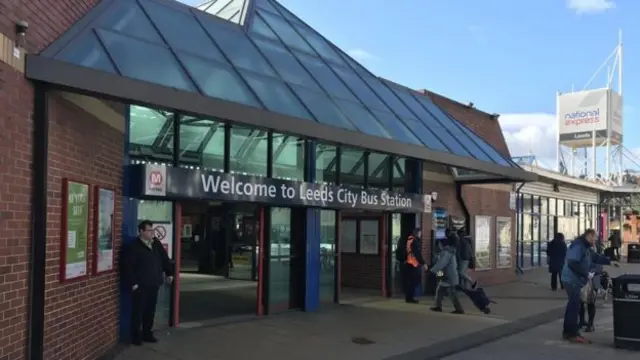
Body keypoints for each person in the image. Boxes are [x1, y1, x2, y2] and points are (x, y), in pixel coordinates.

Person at [560, 229, 617, 343]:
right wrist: (586, 273)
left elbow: (595, 257)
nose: (595, 240)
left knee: (573, 305)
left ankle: (568, 331)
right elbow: (572, 262)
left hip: (574, 279)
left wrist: (609, 261)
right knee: (574, 305)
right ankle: (571, 333)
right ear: (589, 236)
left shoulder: (585, 247)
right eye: (595, 237)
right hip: (571, 280)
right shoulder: (578, 246)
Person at [123, 220, 174, 345]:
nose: (152, 233)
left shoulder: (155, 243)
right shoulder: (134, 246)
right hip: (141, 285)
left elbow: (164, 258)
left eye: (152, 230)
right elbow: (127, 266)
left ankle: (147, 334)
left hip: (154, 283)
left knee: (150, 311)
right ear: (141, 231)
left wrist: (170, 273)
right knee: (138, 312)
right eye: (149, 230)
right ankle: (135, 337)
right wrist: (133, 283)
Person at [430, 233, 464, 314]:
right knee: (440, 290)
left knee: (451, 292)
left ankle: (459, 309)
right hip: (447, 273)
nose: (439, 246)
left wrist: (433, 270)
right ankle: (438, 306)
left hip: (447, 274)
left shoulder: (446, 252)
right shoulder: (451, 251)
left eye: (439, 244)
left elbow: (441, 264)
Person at [396, 228, 428, 303]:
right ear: (417, 233)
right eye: (420, 233)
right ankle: (410, 298)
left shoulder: (409, 240)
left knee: (409, 281)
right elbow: (417, 254)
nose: (421, 235)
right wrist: (423, 263)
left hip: (407, 263)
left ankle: (408, 297)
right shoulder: (415, 241)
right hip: (413, 264)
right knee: (413, 281)